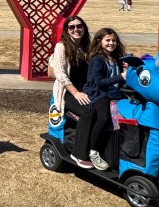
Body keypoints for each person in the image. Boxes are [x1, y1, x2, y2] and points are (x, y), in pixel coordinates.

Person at [51, 16, 93, 169]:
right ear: (67, 31)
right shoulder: (61, 47)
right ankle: (79, 153)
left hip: (89, 90)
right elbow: (60, 74)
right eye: (72, 27)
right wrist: (76, 93)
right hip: (70, 92)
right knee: (88, 112)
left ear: (84, 28)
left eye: (79, 26)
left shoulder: (89, 46)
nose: (76, 29)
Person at [82, 28, 127, 170]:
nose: (111, 43)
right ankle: (93, 152)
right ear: (99, 41)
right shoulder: (98, 60)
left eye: (113, 40)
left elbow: (120, 79)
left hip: (115, 92)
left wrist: (127, 68)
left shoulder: (116, 59)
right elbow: (99, 82)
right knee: (103, 119)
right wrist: (120, 77)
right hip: (100, 94)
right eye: (107, 40)